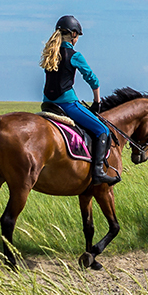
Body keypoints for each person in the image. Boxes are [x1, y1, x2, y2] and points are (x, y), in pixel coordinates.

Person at [39, 15, 120, 186]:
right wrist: (97, 102)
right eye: (77, 36)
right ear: (74, 34)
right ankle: (98, 172)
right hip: (67, 104)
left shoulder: (50, 53)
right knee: (102, 129)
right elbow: (92, 79)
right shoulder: (74, 55)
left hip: (48, 103)